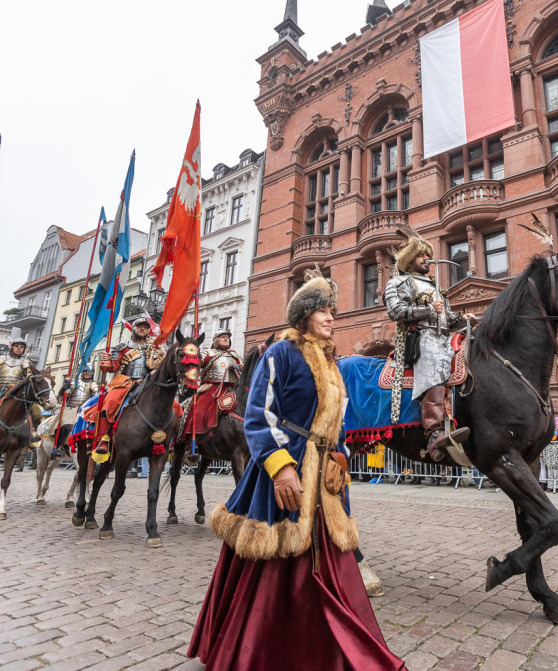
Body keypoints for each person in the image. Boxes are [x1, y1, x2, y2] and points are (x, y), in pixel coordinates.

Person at [187, 269, 405, 670]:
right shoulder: (279, 354)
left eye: (332, 312)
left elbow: (335, 417)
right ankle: (262, 648)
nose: (330, 318)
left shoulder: (331, 360)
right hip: (283, 469)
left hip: (325, 477)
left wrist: (340, 454)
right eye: (322, 310)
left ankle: (327, 647)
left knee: (332, 562)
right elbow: (258, 415)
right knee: (274, 563)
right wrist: (280, 467)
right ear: (304, 315)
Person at [384, 225, 476, 462]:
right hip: (420, 338)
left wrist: (462, 318)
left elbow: (447, 317)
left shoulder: (435, 287)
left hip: (445, 335)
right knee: (434, 356)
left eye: (427, 255)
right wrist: (426, 310)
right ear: (409, 258)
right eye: (421, 255)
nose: (427, 259)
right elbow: (395, 311)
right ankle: (434, 433)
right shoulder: (398, 283)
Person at [90, 318, 165, 461]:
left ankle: (169, 440)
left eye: (145, 327)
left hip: (148, 382)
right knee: (109, 402)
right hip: (126, 381)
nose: (143, 329)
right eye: (140, 327)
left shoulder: (154, 346)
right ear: (134, 328)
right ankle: (103, 440)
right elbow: (113, 367)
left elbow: (160, 365)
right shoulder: (123, 347)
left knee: (171, 405)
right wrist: (107, 361)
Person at [188, 330, 243, 439]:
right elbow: (198, 363)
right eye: (223, 337)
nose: (226, 339)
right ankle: (196, 439)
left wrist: (240, 367)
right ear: (216, 340)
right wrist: (195, 350)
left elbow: (244, 368)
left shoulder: (235, 355)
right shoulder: (208, 352)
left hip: (232, 388)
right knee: (199, 411)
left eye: (227, 337)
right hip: (211, 388)